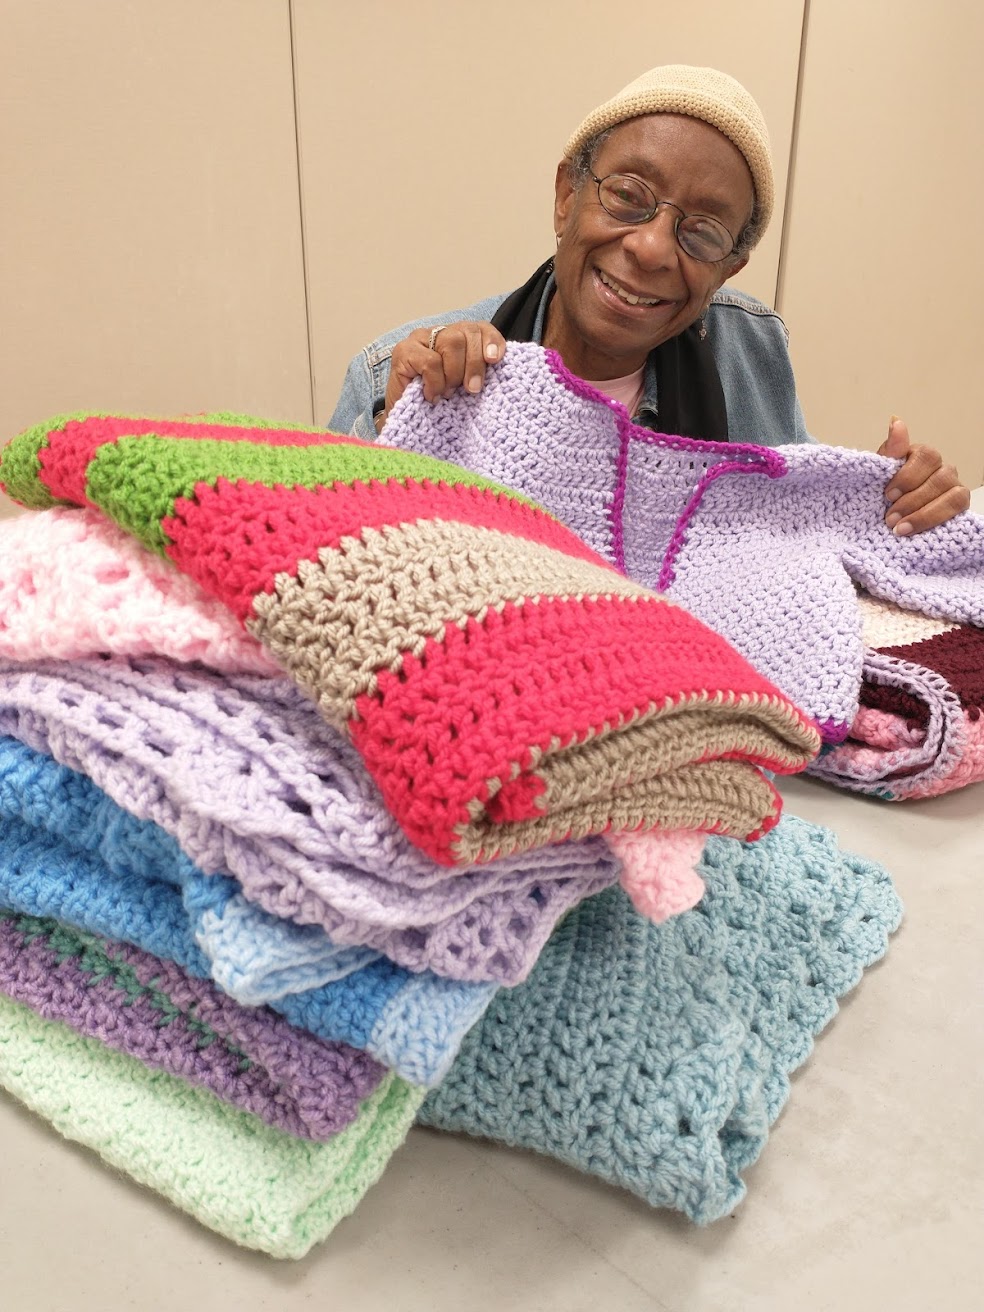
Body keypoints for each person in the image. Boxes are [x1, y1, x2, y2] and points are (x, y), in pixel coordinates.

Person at [329, 64, 970, 537]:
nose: (653, 248)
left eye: (703, 232)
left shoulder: (751, 349)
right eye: (628, 196)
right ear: (566, 197)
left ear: (727, 270)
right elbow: (323, 577)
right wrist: (395, 443)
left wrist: (891, 504)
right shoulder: (403, 374)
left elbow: (790, 531)